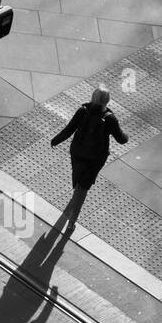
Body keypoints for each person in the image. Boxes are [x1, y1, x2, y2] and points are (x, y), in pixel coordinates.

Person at [49, 86, 128, 230]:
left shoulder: (82, 111)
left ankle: (75, 193)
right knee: (83, 187)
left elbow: (69, 129)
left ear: (92, 97)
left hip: (77, 152)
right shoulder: (110, 119)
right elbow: (122, 139)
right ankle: (71, 222)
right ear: (107, 101)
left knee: (78, 175)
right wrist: (126, 135)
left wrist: (55, 140)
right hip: (96, 159)